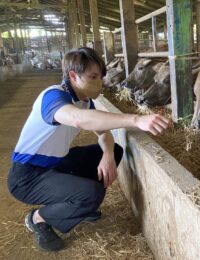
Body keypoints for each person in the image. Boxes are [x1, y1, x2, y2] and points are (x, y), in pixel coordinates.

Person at [7, 47, 170, 251]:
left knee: (114, 150)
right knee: (91, 194)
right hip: (28, 177)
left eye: (100, 76)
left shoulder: (85, 101)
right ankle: (38, 218)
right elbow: (78, 119)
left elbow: (102, 131)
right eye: (93, 76)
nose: (99, 82)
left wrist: (108, 155)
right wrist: (136, 119)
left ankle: (79, 207)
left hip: (56, 164)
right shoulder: (52, 96)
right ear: (73, 76)